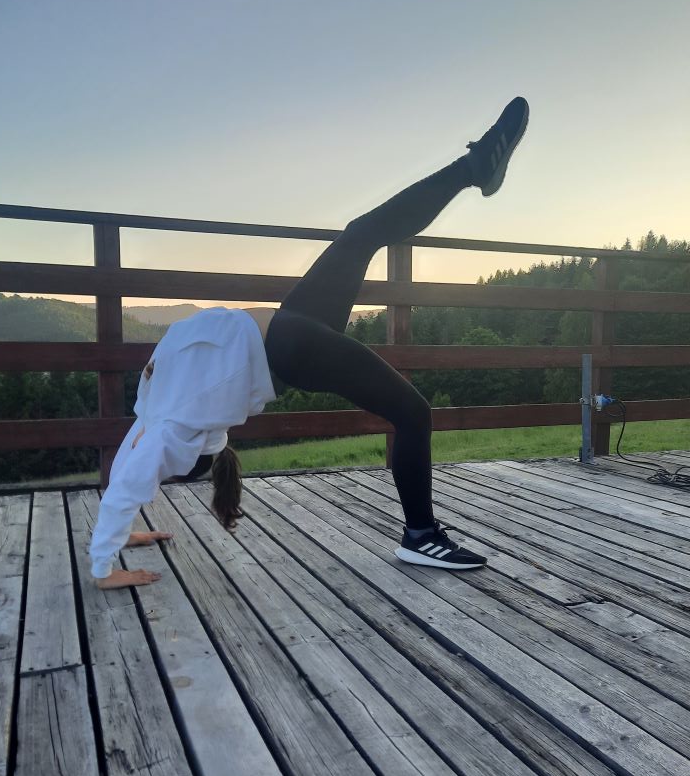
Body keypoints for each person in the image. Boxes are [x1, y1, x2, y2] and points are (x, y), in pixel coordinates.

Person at [90, 96, 529, 589]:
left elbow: (126, 473)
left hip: (289, 325)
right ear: (194, 455)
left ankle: (474, 166)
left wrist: (123, 534)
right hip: (287, 348)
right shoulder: (172, 431)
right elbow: (131, 479)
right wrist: (103, 569)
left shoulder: (152, 415)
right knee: (413, 412)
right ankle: (421, 536)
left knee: (360, 234)